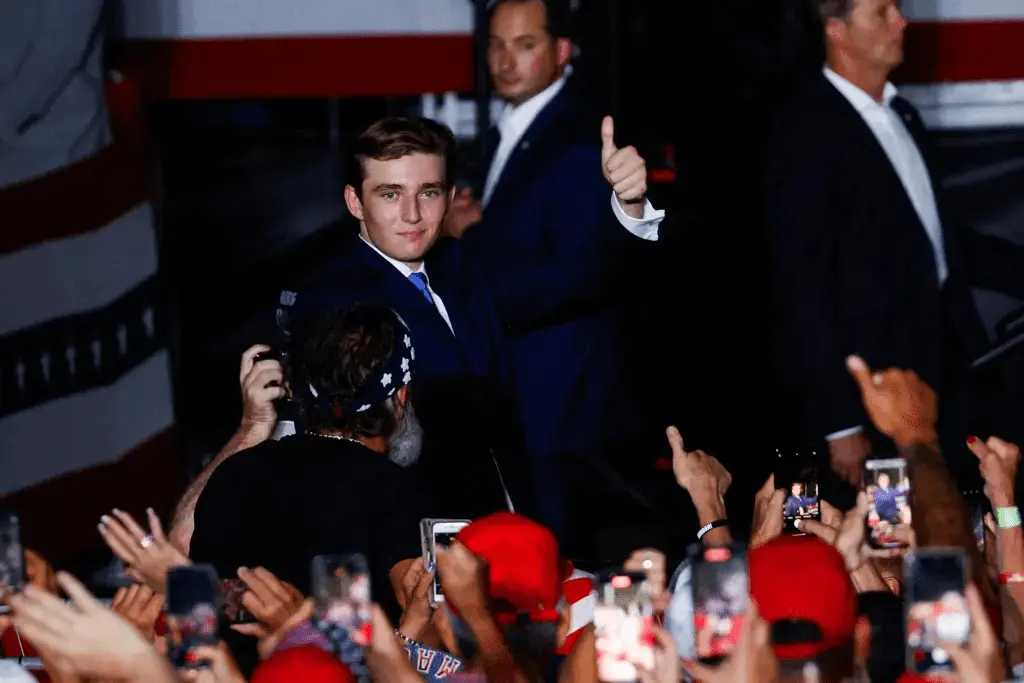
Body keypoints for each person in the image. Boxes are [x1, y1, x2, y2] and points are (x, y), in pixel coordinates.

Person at [602, 0, 1024, 497]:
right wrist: (840, 423)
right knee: (855, 534)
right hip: (859, 407)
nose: (901, 22)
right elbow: (800, 287)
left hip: (933, 392)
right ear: (836, 30)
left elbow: (938, 243)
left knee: (940, 530)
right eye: (881, 13)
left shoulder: (901, 116)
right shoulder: (805, 131)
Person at [446, 0, 651, 545]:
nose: (505, 61)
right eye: (495, 45)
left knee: (561, 564)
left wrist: (469, 237)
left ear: (562, 51)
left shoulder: (576, 139)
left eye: (525, 45)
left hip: (563, 407)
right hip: (529, 401)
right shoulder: (511, 130)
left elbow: (581, 276)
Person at [280, 117, 533, 521]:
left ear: (450, 197)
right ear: (355, 202)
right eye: (390, 194)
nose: (412, 214)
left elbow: (577, 282)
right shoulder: (334, 301)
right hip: (416, 532)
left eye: (428, 192)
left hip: (512, 512)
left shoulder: (462, 266)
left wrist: (627, 209)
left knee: (631, 580)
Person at [189, 304, 433, 623]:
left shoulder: (233, 475)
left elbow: (202, 603)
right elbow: (423, 620)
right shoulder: (395, 490)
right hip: (348, 656)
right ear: (400, 396)